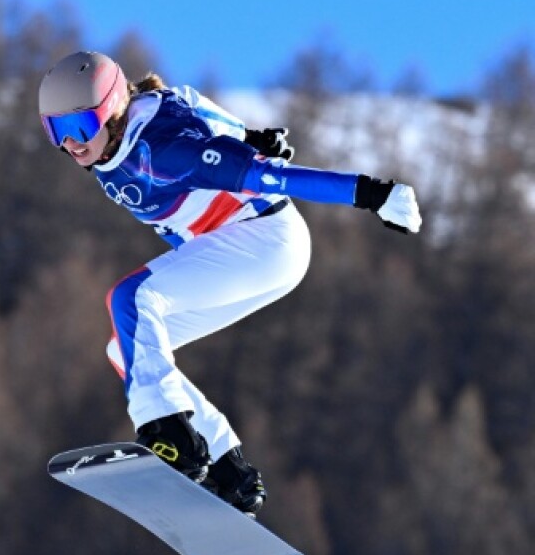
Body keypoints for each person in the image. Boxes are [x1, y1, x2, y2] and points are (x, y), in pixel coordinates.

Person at [38, 50, 422, 515]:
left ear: (114, 108)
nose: (72, 145)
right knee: (126, 348)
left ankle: (169, 434)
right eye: (56, 131)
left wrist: (373, 194)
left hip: (264, 240)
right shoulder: (127, 133)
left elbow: (270, 176)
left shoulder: (165, 151)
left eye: (80, 126)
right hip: (243, 253)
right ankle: (228, 468)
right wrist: (250, 133)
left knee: (131, 298)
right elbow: (190, 100)